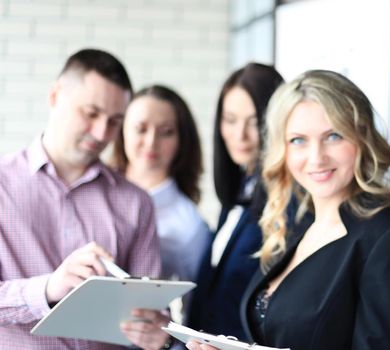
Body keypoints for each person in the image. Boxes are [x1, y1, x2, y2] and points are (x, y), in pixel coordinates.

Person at [188, 70, 390, 350]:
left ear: (362, 138)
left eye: (333, 136)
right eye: (298, 140)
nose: (316, 157)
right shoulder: (296, 228)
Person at [0, 48, 164, 349]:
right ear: (55, 96)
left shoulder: (136, 203)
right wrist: (48, 288)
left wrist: (156, 333)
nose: (102, 133)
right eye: (91, 113)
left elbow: (150, 311)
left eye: (115, 121)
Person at [183, 63, 285, 342]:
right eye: (230, 120)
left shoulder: (284, 205)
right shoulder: (237, 198)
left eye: (255, 122)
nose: (240, 135)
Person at [111, 85, 211, 284]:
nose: (151, 142)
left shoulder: (189, 225)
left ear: (182, 140)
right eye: (140, 129)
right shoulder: (95, 192)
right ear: (122, 130)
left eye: (166, 132)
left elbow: (191, 304)